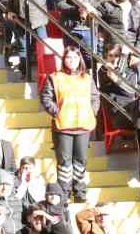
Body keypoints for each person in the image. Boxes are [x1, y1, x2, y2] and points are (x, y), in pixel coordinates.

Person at [41, 45, 99, 202]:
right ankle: (64, 194)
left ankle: (80, 194)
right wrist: (56, 111)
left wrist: (91, 111)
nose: (71, 60)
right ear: (63, 59)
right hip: (63, 127)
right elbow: (46, 98)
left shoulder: (87, 78)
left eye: (74, 57)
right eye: (68, 57)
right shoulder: (54, 77)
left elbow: (95, 98)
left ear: (79, 59)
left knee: (80, 161)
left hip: (83, 126)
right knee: (64, 163)